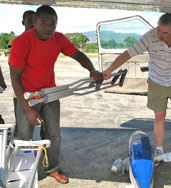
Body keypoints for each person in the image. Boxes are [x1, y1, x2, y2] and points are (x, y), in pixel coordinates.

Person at [9, 5, 103, 184]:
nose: (48, 28)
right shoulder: (21, 42)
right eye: (44, 23)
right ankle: (20, 171)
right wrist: (28, 109)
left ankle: (52, 167)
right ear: (34, 22)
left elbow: (78, 55)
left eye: (52, 23)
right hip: (26, 94)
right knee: (23, 134)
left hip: (49, 92)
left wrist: (92, 69)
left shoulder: (58, 39)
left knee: (53, 133)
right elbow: (15, 79)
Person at [103, 13, 171, 168]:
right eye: (159, 30)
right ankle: (159, 151)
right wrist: (109, 69)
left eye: (164, 32)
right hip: (156, 81)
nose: (159, 35)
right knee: (159, 115)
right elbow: (128, 53)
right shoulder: (150, 37)